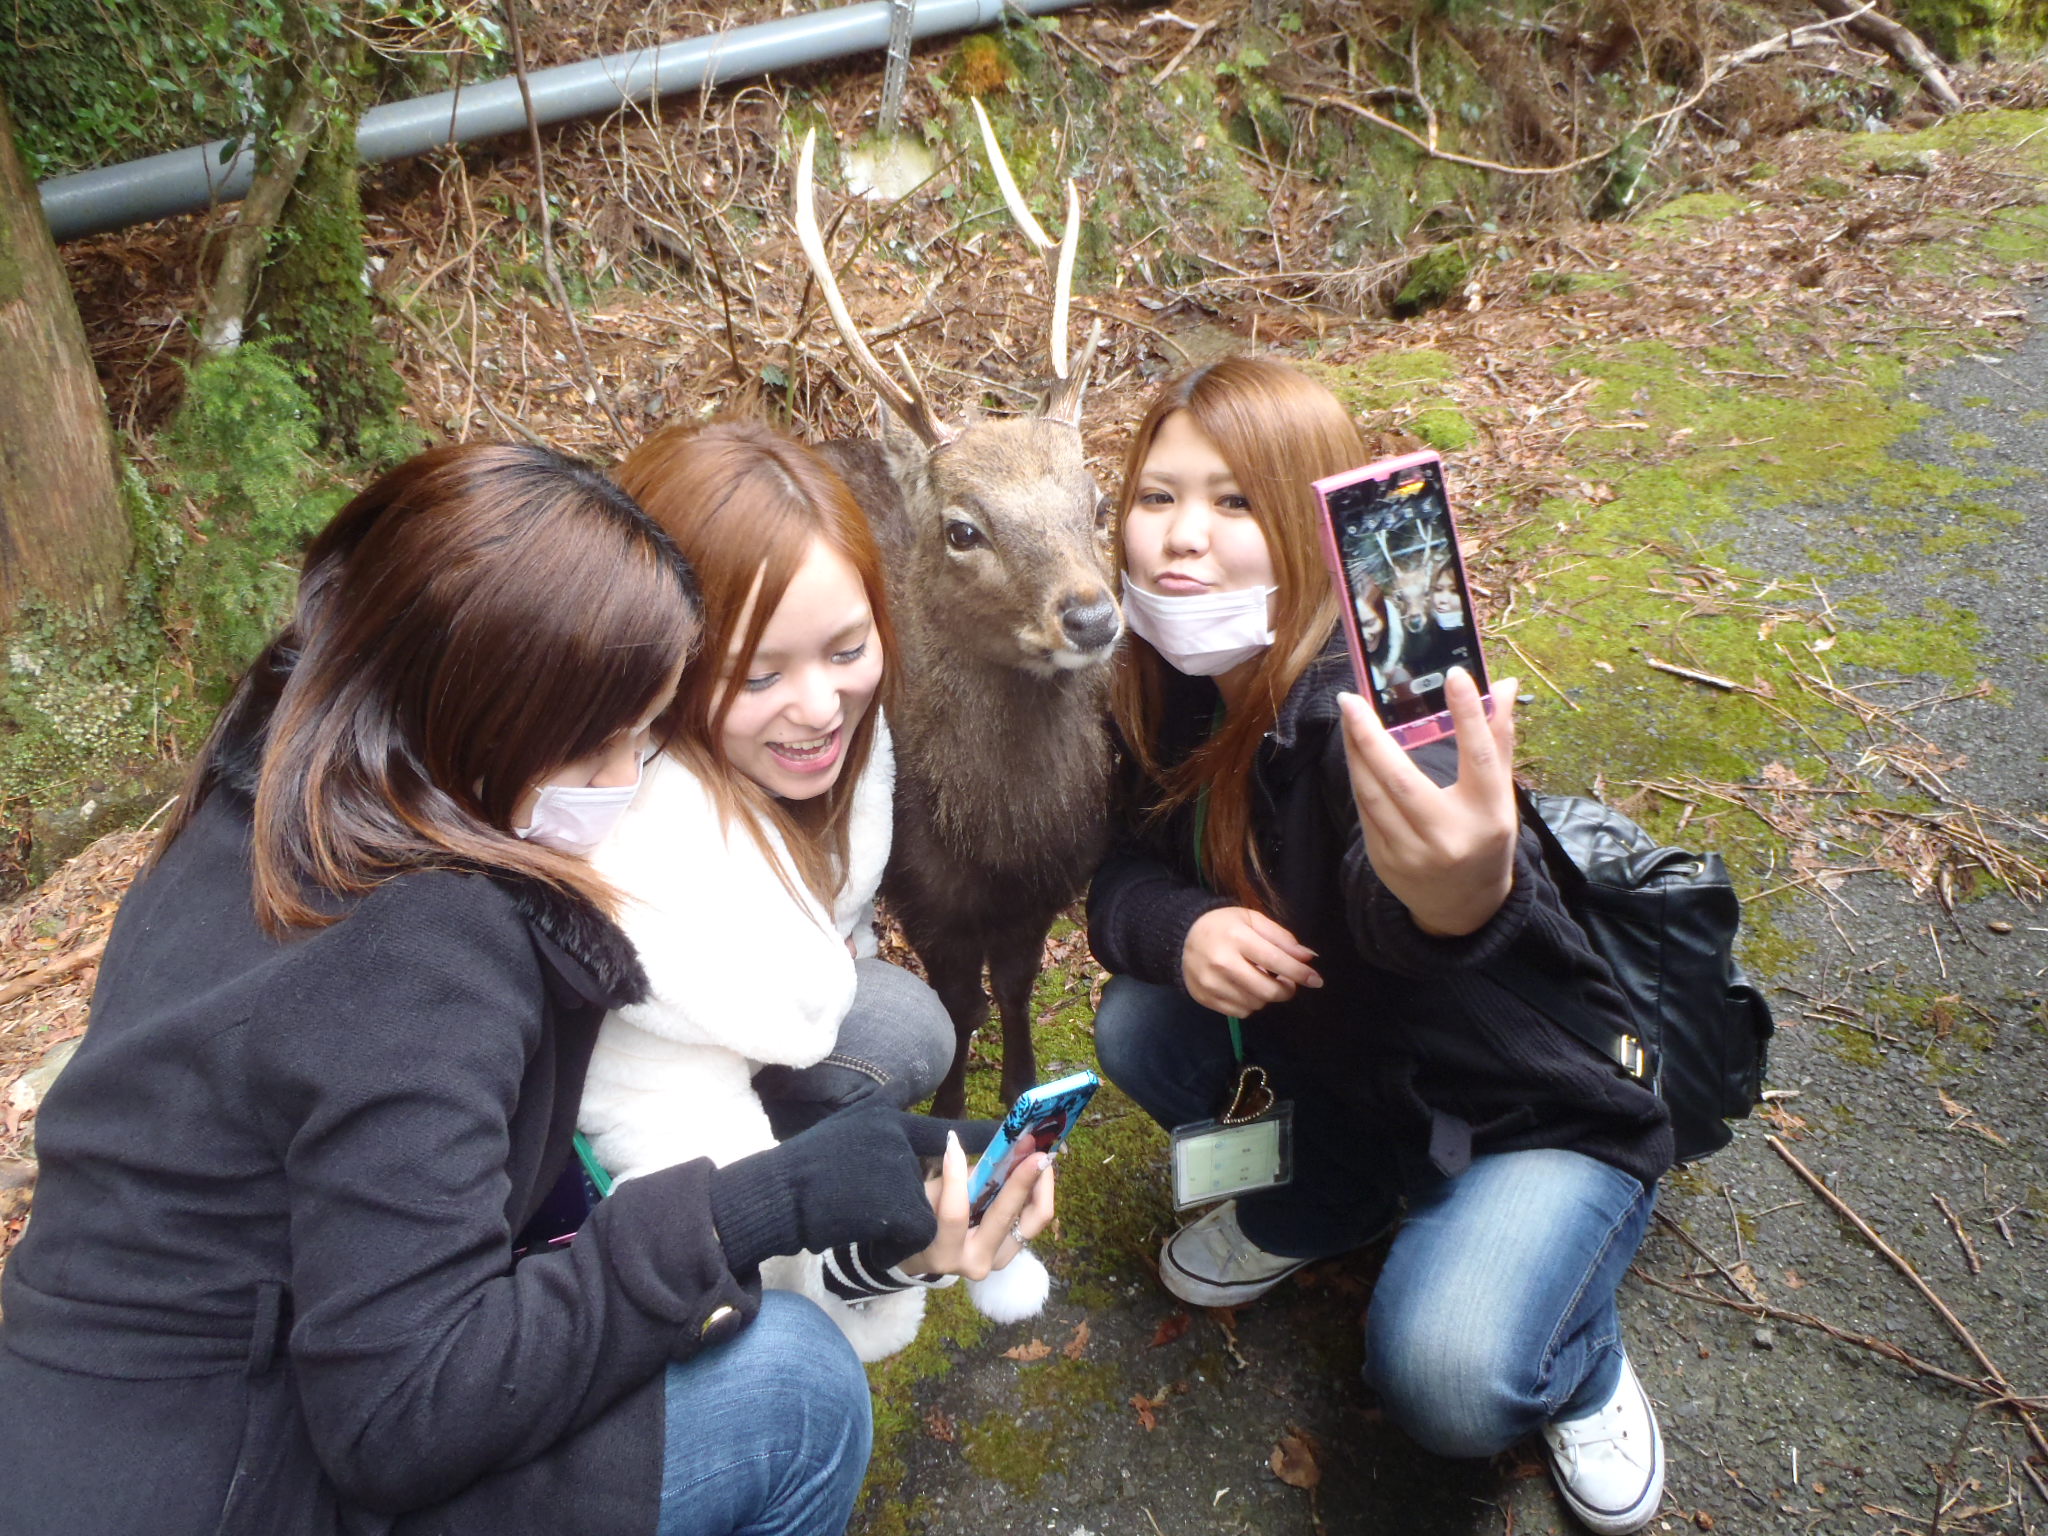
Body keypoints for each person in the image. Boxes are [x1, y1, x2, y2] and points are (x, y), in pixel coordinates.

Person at [0, 442, 1047, 1536]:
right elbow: (403, 1415)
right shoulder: (415, 950)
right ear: (476, 715)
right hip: (239, 1483)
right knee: (795, 1388)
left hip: (109, 1419)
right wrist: (769, 1206)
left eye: (641, 739)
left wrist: (836, 1200)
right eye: (597, 750)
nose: (626, 786)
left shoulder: (285, 797)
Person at [1088, 359, 1673, 1536]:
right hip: (1353, 1078)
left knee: (1447, 1382)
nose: (1180, 536)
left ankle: (1579, 1356)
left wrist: (1454, 888)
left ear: (1312, 526)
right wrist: (1179, 925)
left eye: (1234, 501)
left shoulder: (1370, 705)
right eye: (1156, 496)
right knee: (1138, 1021)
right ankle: (1336, 1195)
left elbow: (1405, 879)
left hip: (1524, 1110)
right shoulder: (1166, 684)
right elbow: (1113, 872)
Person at [576, 420, 1050, 1360]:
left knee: (905, 1026)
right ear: (659, 663)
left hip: (763, 1024)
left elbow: (842, 933)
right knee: (792, 1369)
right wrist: (875, 1259)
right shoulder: (642, 860)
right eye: (759, 674)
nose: (822, 707)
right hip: (660, 1119)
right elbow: (699, 1179)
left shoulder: (839, 751)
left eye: (846, 648)